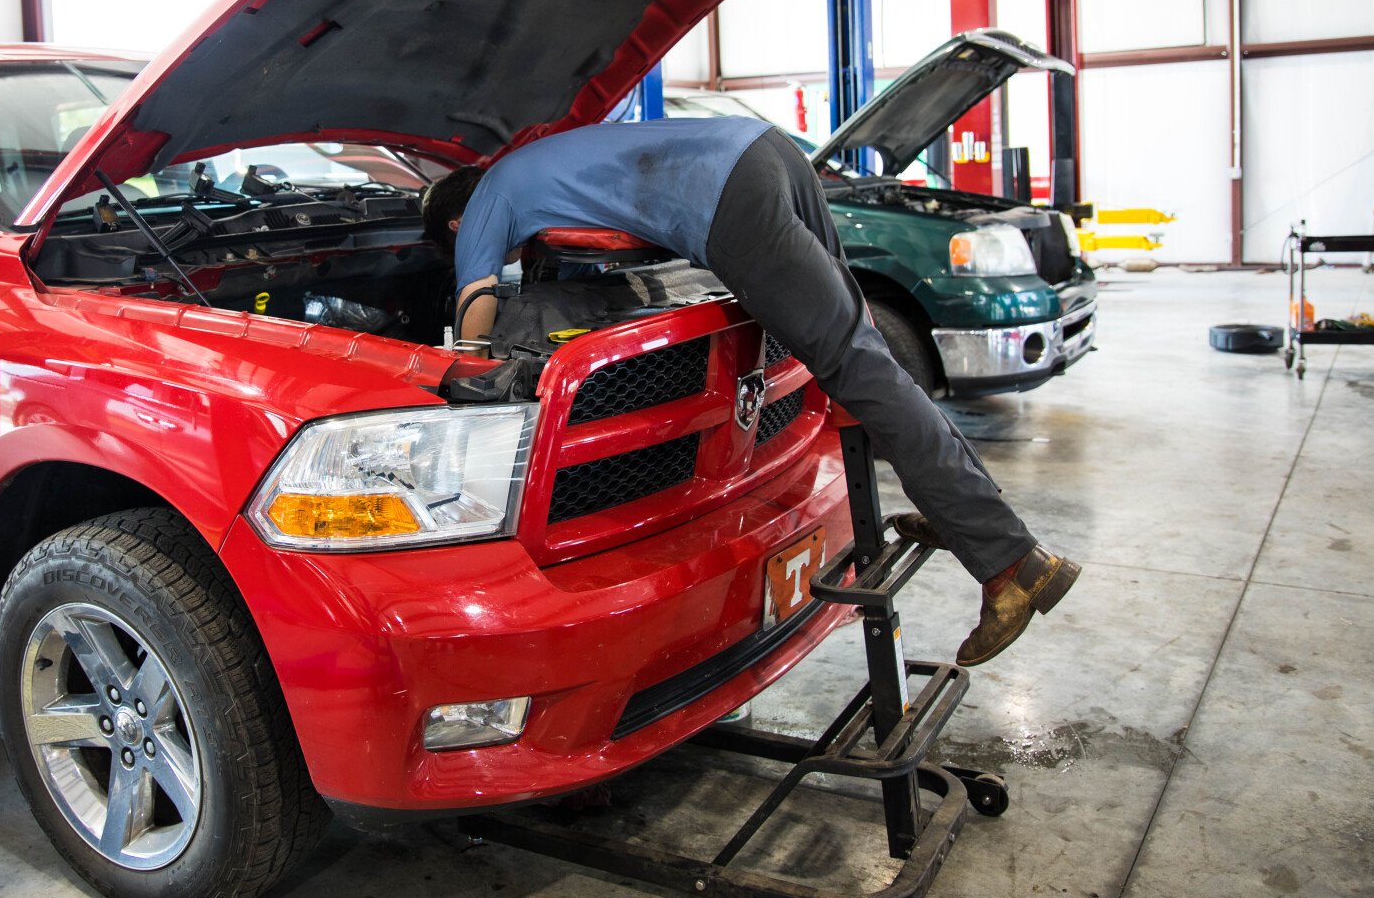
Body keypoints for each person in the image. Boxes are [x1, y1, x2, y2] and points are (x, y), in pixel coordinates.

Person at [420, 116, 1078, 666]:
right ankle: (962, 511)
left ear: (452, 225)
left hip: (725, 198)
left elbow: (476, 298)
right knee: (865, 356)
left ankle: (1009, 562)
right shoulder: (534, 161)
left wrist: (462, 374)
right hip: (762, 149)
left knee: (854, 366)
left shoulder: (481, 203)